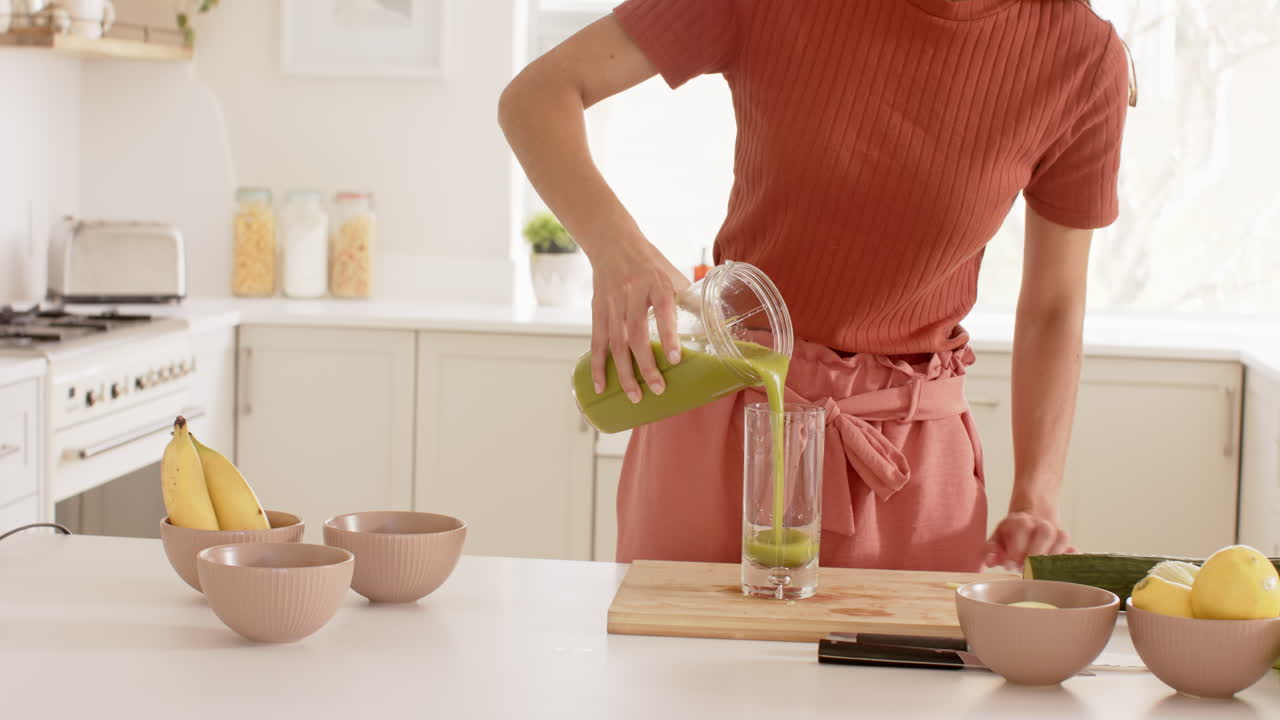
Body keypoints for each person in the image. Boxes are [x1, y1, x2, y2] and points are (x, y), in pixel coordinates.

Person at [499, 0, 1134, 572]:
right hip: (726, 422)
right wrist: (619, 251)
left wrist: (1038, 496)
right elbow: (539, 95)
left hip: (907, 473)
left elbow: (1054, 306)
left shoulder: (1082, 59)